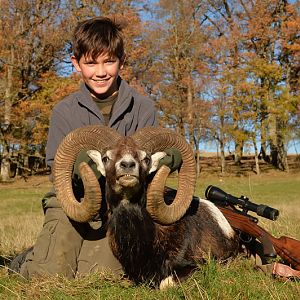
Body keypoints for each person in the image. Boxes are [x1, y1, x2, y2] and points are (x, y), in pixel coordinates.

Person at [16, 16, 181, 279]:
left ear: (122, 62)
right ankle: (28, 259)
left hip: (121, 208)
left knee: (99, 276)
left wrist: (169, 159)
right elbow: (53, 169)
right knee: (48, 275)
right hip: (74, 203)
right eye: (91, 63)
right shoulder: (65, 112)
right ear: (76, 64)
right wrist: (84, 168)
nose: (101, 71)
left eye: (109, 61)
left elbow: (150, 160)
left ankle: (61, 252)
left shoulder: (142, 109)